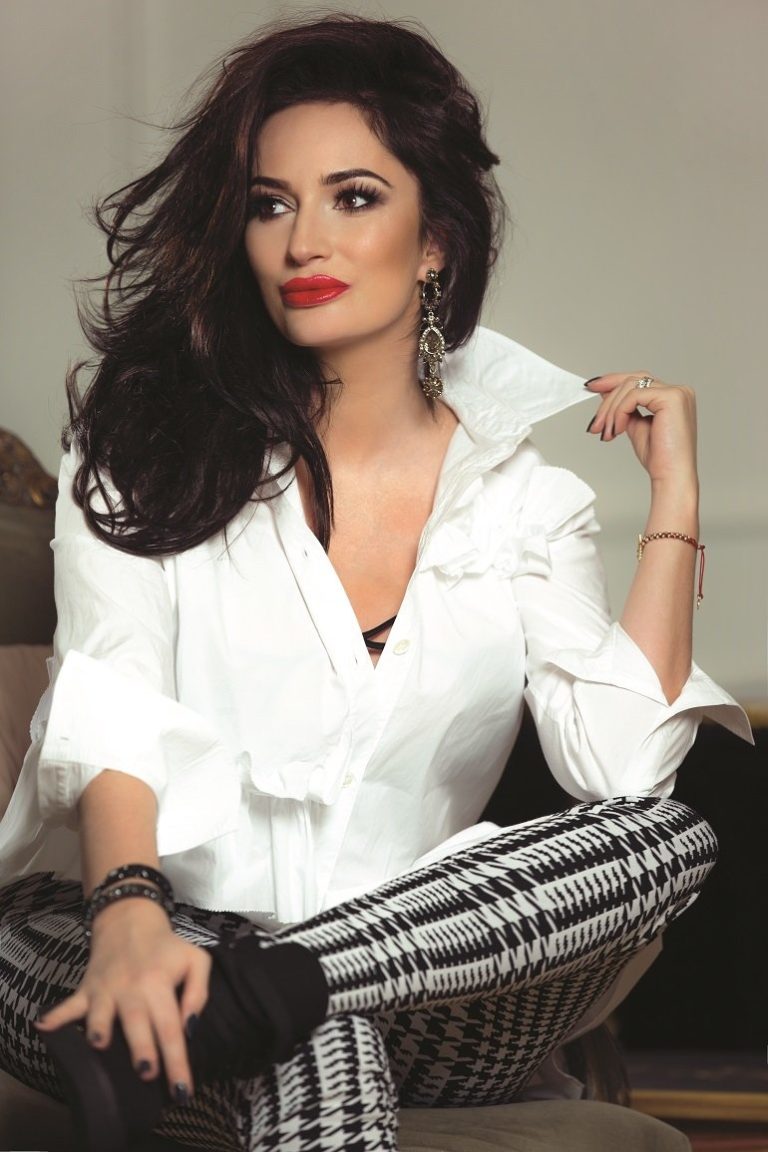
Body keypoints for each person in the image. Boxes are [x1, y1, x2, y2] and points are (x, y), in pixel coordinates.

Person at [0, 12, 750, 1152]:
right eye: (270, 204)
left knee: (663, 839)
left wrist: (675, 501)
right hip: (137, 950)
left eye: (352, 198)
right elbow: (115, 698)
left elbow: (620, 768)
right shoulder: (146, 441)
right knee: (314, 1038)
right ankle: (274, 1000)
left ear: (435, 238)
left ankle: (285, 985)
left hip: (421, 977)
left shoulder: (522, 499)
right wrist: (130, 913)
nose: (304, 241)